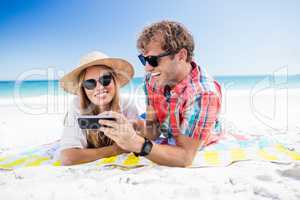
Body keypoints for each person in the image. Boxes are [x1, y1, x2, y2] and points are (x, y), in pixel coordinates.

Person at [100, 20, 222, 167]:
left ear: (181, 55)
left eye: (152, 60)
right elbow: (154, 129)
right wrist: (132, 126)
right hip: (170, 126)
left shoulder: (203, 94)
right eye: (143, 60)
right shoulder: (153, 81)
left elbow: (184, 158)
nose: (147, 68)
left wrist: (137, 144)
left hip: (200, 136)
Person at [59, 51, 140, 165]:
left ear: (114, 81)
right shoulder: (77, 106)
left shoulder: (127, 104)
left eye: (105, 79)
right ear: (83, 89)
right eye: (90, 84)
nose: (100, 87)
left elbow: (135, 142)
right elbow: (68, 157)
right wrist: (115, 150)